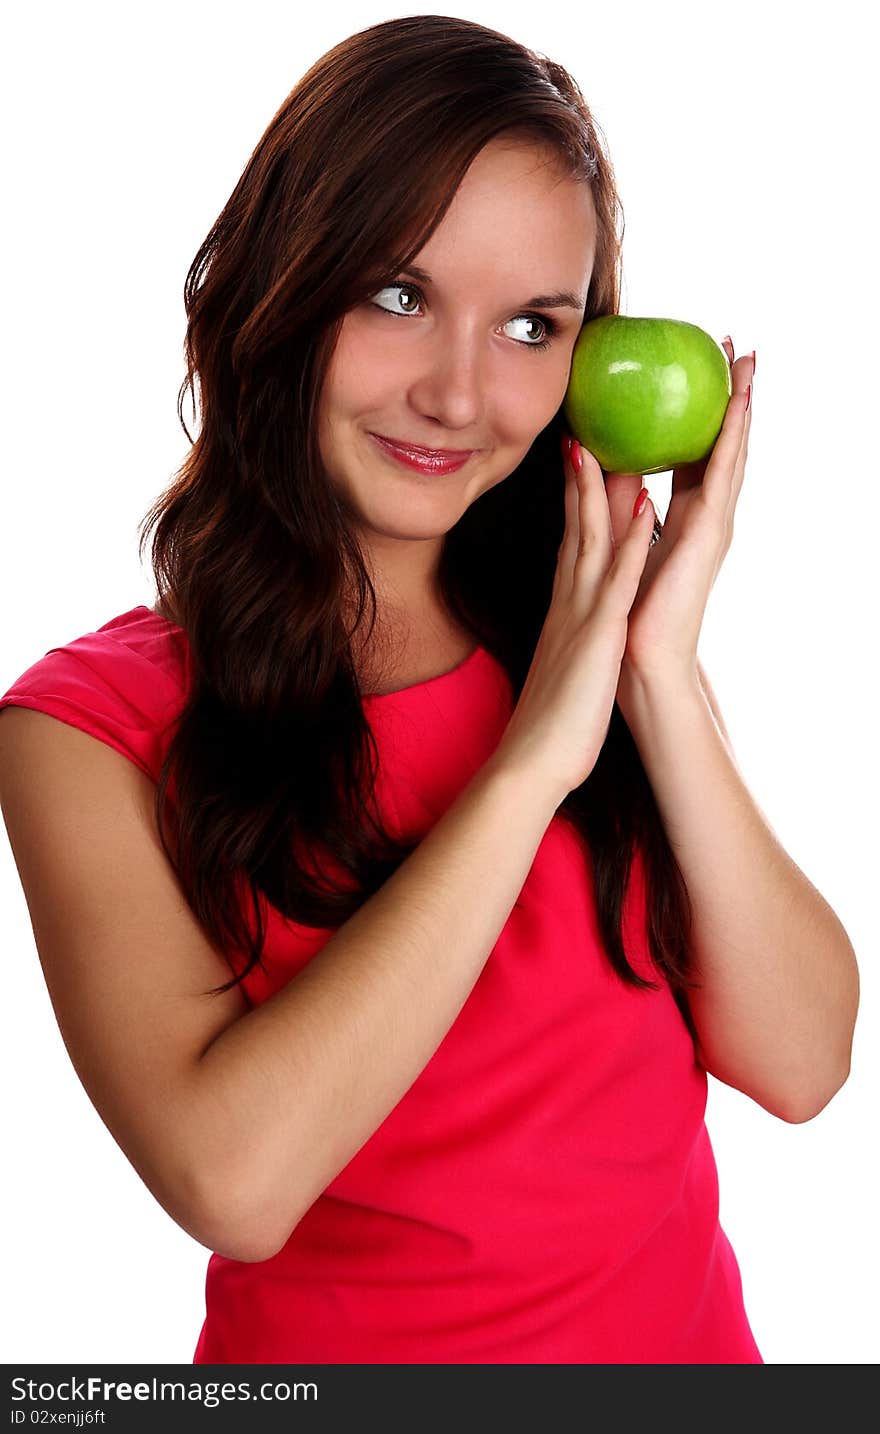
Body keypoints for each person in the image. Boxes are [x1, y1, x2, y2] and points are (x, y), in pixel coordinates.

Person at [0, 15, 859, 1366]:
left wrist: (655, 675)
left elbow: (804, 1062)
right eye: (399, 295)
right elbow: (235, 1181)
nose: (460, 394)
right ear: (282, 285)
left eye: (532, 325)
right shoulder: (86, 727)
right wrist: (528, 768)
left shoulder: (589, 644)